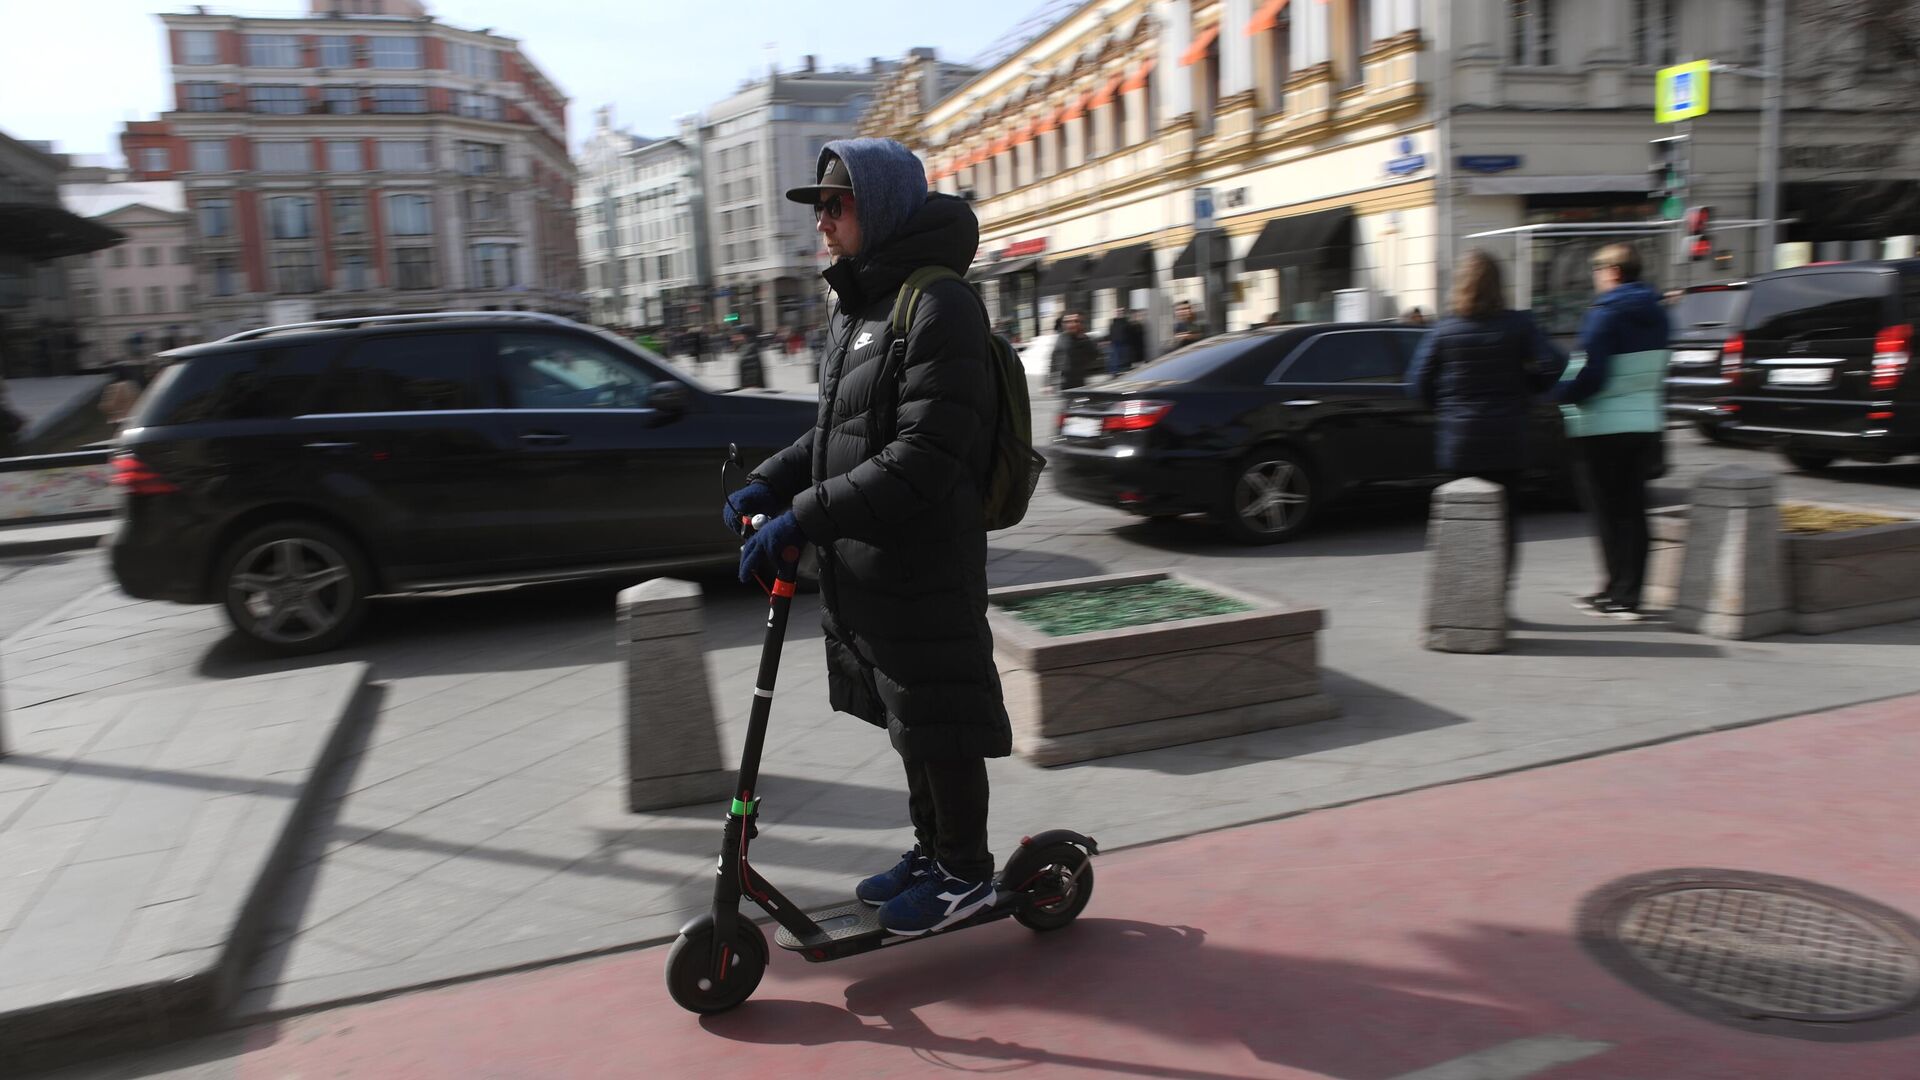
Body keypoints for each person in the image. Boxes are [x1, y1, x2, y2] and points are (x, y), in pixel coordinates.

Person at [720, 139, 1010, 937]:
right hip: (871, 562)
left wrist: (803, 517)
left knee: (940, 718)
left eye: (835, 204)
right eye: (818, 206)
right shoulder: (859, 304)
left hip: (924, 559)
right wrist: (771, 483)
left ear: (876, 209)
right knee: (906, 717)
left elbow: (921, 458)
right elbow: (834, 431)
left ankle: (965, 873)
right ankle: (932, 849)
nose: (821, 220)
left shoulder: (941, 304)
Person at [1406, 251, 1565, 581]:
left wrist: (1445, 408)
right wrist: (1528, 390)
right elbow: (1554, 364)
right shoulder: (1519, 325)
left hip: (1459, 442)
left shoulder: (1445, 330)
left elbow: (1416, 383)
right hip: (1507, 439)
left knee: (1462, 522)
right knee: (1504, 523)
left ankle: (1463, 599)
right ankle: (1499, 598)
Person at [1553, 242, 1670, 621]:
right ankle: (1629, 593)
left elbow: (1591, 373)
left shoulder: (1604, 313)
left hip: (1602, 426)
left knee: (1607, 512)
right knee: (1634, 511)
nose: (1596, 277)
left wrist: (1561, 394)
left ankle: (1616, 593)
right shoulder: (1659, 313)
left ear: (1613, 272)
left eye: (1598, 270)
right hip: (1644, 423)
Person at [1052, 311, 1100, 390]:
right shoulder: (1062, 337)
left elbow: (1094, 355)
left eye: (1076, 321)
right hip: (1065, 382)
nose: (1072, 324)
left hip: (1080, 381)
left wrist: (1083, 339)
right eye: (1068, 322)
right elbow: (1054, 357)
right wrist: (1048, 383)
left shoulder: (1085, 339)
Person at [1106, 308, 1146, 375]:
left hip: (1124, 344)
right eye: (1118, 312)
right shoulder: (1114, 324)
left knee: (1122, 360)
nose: (1119, 313)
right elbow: (1110, 334)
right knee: (1116, 360)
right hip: (1116, 345)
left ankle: (1120, 371)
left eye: (1120, 312)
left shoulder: (1127, 324)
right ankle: (1115, 372)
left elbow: (1130, 335)